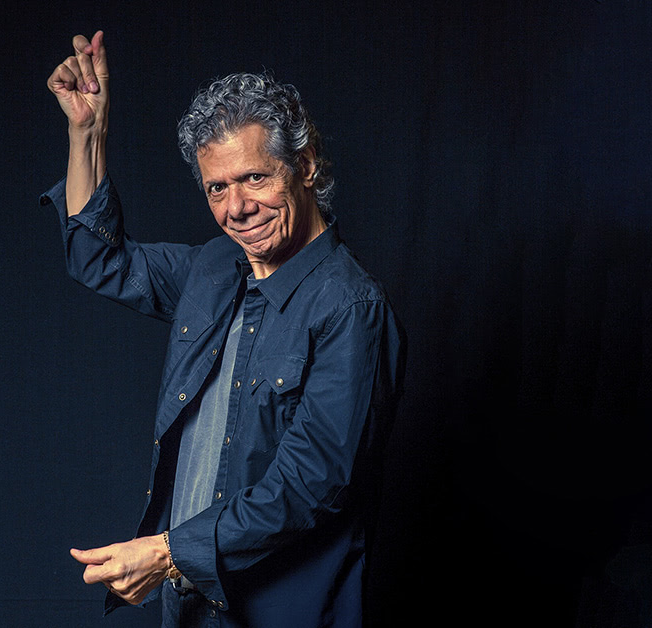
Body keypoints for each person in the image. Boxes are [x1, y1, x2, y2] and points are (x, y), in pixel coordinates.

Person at [43, 31, 404, 627]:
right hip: (190, 604)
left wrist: (167, 553)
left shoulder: (350, 308)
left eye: (255, 178)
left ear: (305, 165)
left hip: (283, 613)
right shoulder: (212, 269)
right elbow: (99, 260)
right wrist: (88, 133)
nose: (237, 208)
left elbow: (311, 486)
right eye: (218, 187)